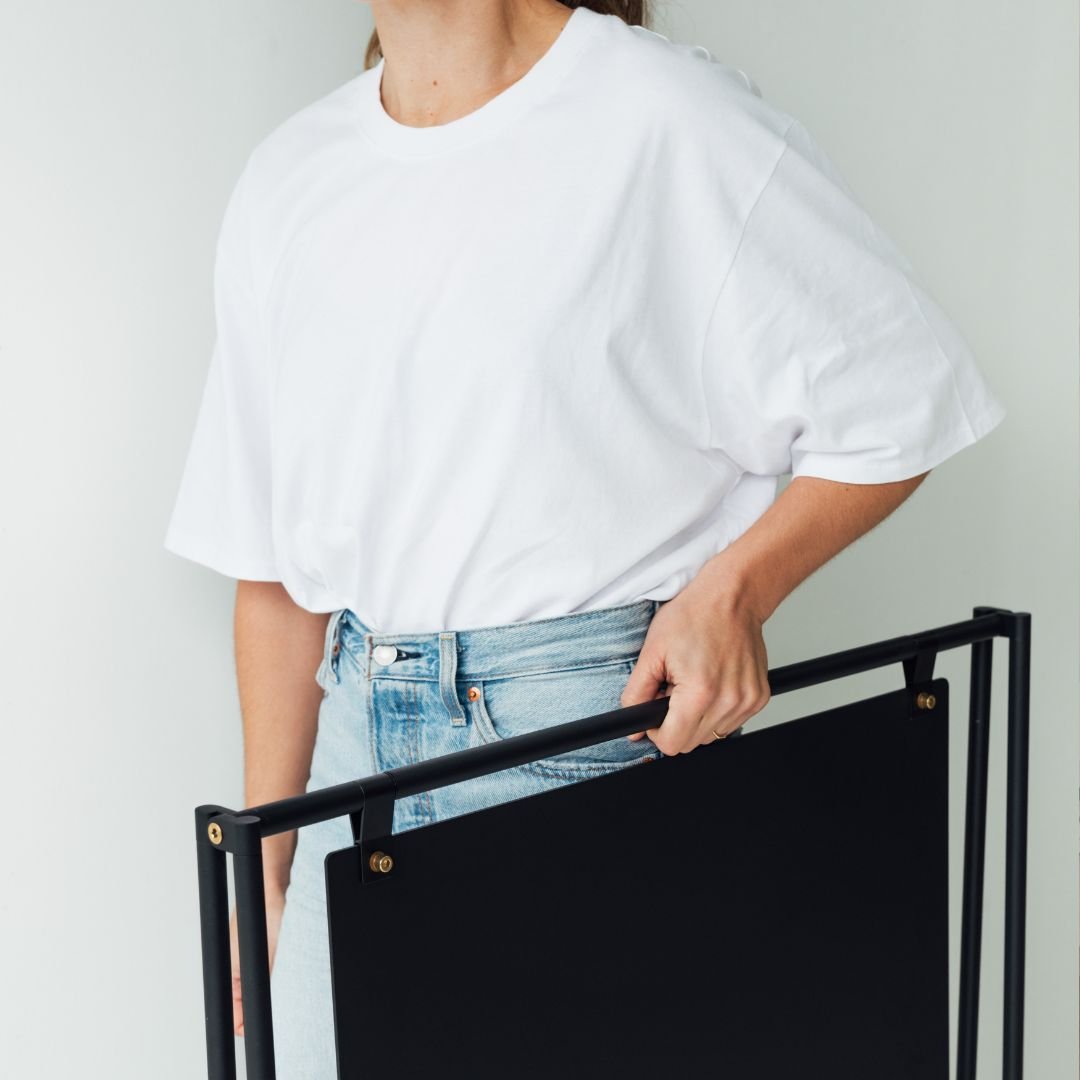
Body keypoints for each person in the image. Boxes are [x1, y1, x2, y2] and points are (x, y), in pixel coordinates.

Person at [163, 1, 1007, 1073]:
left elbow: (901, 394)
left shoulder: (659, 116)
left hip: (578, 740)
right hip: (346, 770)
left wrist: (734, 591)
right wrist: (272, 856)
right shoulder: (292, 177)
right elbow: (275, 572)